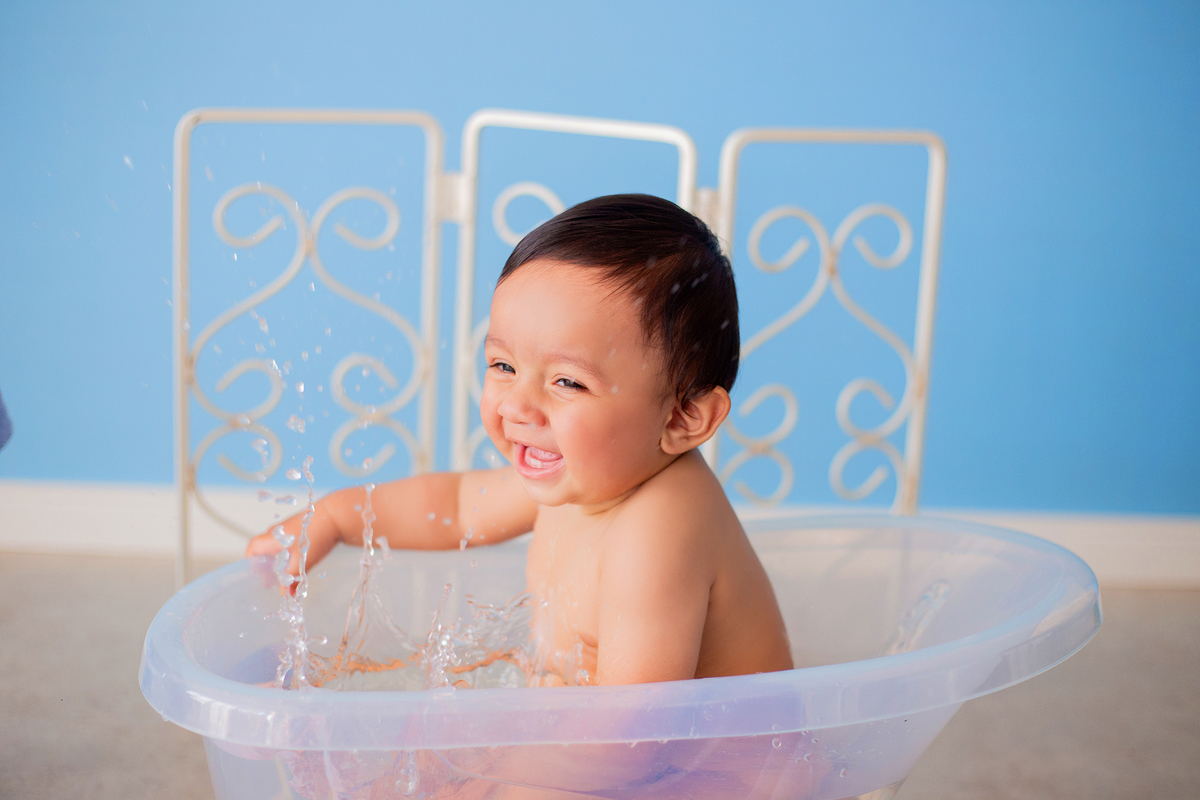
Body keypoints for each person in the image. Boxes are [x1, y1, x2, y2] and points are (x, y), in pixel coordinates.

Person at [247, 194, 793, 687]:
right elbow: (454, 508)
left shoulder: (660, 531)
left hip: (722, 763)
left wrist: (495, 753)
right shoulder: (587, 476)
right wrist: (335, 518)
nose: (516, 406)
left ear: (682, 417)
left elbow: (635, 738)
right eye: (503, 365)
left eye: (567, 382)